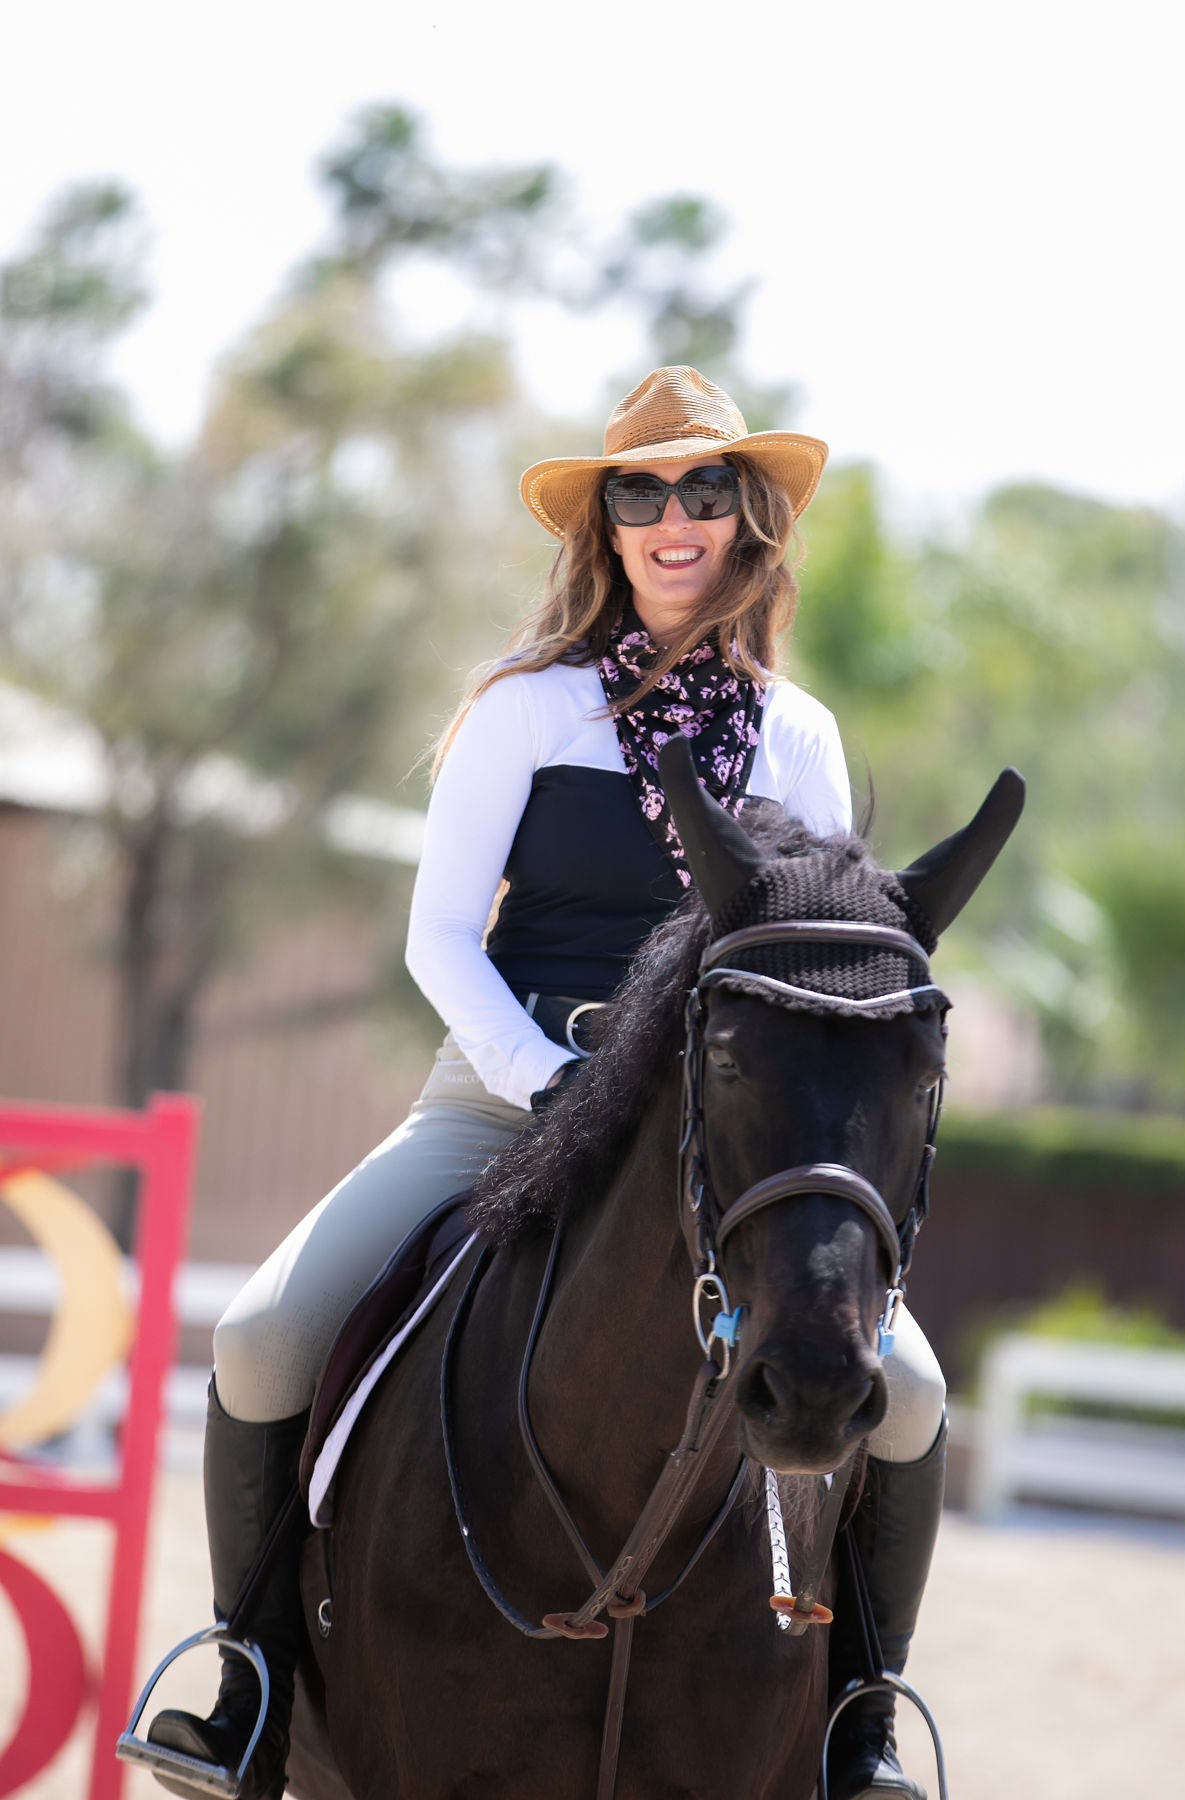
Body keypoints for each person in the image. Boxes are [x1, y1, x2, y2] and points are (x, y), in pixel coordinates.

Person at [143, 365, 947, 1800]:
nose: (673, 520)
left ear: (749, 519)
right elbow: (438, 937)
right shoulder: (526, 710)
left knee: (914, 1395)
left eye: (706, 490)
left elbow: (819, 978)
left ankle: (857, 1725)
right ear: (608, 527)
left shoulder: (798, 735)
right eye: (641, 495)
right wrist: (548, 1082)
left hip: (713, 1131)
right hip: (501, 1092)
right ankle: (250, 1680)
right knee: (266, 1337)